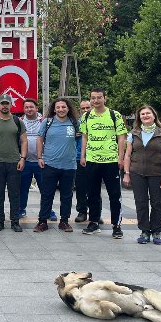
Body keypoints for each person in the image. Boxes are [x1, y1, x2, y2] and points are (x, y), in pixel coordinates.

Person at [79, 88, 127, 238]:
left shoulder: (115, 115)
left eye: (99, 97)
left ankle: (116, 225)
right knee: (92, 193)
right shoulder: (86, 116)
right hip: (92, 160)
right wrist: (83, 156)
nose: (96, 101)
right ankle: (93, 222)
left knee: (114, 194)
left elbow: (121, 137)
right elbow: (84, 137)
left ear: (105, 98)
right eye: (93, 98)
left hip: (111, 160)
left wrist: (121, 157)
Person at [123, 105, 161, 245]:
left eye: (148, 113)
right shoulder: (133, 133)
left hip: (157, 173)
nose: (145, 116)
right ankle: (144, 231)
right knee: (141, 202)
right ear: (139, 117)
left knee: (157, 203)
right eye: (142, 114)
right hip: (137, 172)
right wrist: (127, 173)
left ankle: (156, 231)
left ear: (154, 116)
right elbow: (127, 155)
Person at [34, 98, 80, 233]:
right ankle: (42, 221)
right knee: (47, 194)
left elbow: (82, 136)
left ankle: (64, 221)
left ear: (68, 108)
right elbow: (39, 138)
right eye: (58, 107)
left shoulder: (74, 123)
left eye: (63, 107)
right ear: (54, 109)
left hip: (69, 166)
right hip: (50, 164)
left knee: (67, 195)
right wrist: (39, 157)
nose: (61, 109)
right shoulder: (48, 122)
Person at [0, 94, 27, 232]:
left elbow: (24, 141)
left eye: (7, 103)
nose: (4, 106)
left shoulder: (18, 121)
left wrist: (23, 158)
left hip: (14, 162)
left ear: (11, 105)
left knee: (14, 194)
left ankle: (15, 221)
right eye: (2, 103)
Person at [19, 98, 44, 219]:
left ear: (36, 108)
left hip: (41, 161)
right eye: (26, 107)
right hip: (25, 161)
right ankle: (21, 209)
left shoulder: (44, 121)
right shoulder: (19, 121)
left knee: (45, 189)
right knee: (23, 188)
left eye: (31, 107)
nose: (29, 109)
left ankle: (47, 210)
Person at [74, 100, 95, 222]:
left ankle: (95, 212)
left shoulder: (98, 122)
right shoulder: (76, 123)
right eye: (83, 108)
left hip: (95, 158)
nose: (86, 110)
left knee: (94, 187)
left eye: (88, 107)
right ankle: (82, 211)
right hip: (78, 158)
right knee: (80, 187)